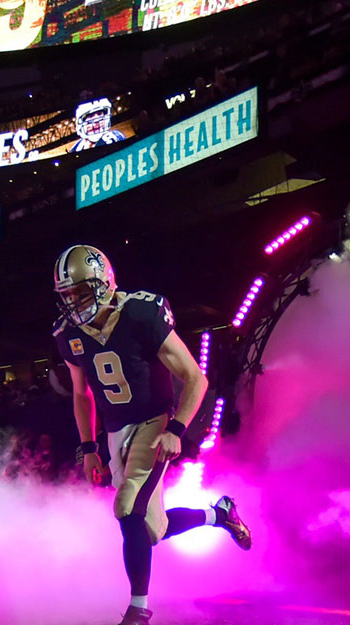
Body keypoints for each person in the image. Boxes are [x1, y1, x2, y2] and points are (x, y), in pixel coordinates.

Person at [52, 245, 253, 625]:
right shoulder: (68, 334)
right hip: (115, 430)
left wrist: (176, 428)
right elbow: (82, 394)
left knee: (127, 509)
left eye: (79, 292)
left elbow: (195, 377)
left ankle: (139, 609)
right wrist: (89, 448)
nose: (73, 303)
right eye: (66, 295)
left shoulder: (140, 313)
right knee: (151, 530)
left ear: (103, 282)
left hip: (153, 421)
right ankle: (219, 513)